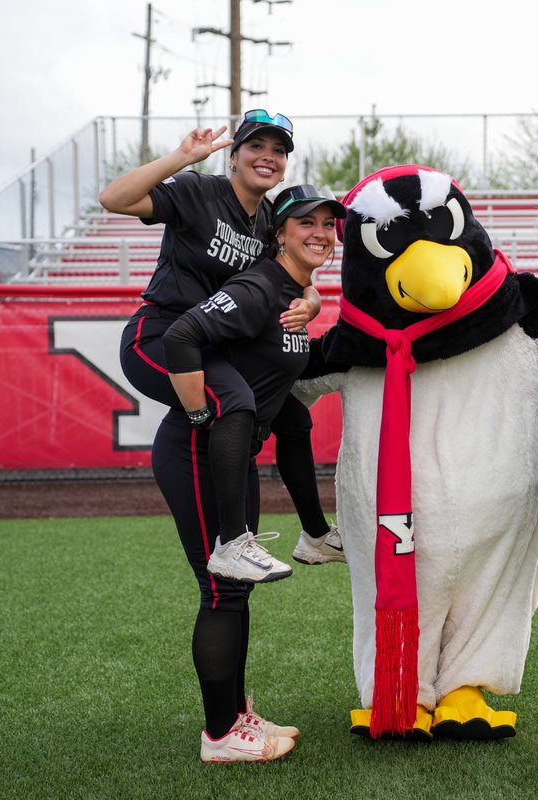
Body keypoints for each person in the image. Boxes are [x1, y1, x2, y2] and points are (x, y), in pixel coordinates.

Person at [100, 110, 345, 575]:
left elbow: (292, 271)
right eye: (256, 146)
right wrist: (181, 156)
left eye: (278, 150)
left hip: (215, 345)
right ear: (234, 156)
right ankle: (232, 541)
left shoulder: (272, 217)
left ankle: (316, 534)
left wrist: (312, 300)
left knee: (290, 415)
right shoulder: (199, 191)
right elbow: (113, 199)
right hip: (161, 335)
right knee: (234, 401)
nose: (267, 157)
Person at [151, 184, 347, 762]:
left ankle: (235, 718)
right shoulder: (260, 284)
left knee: (233, 594)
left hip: (233, 460)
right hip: (195, 452)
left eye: (328, 226)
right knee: (220, 590)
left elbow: (291, 382)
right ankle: (219, 736)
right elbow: (181, 335)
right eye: (304, 223)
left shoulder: (291, 291)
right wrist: (197, 416)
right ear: (278, 233)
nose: (319, 233)